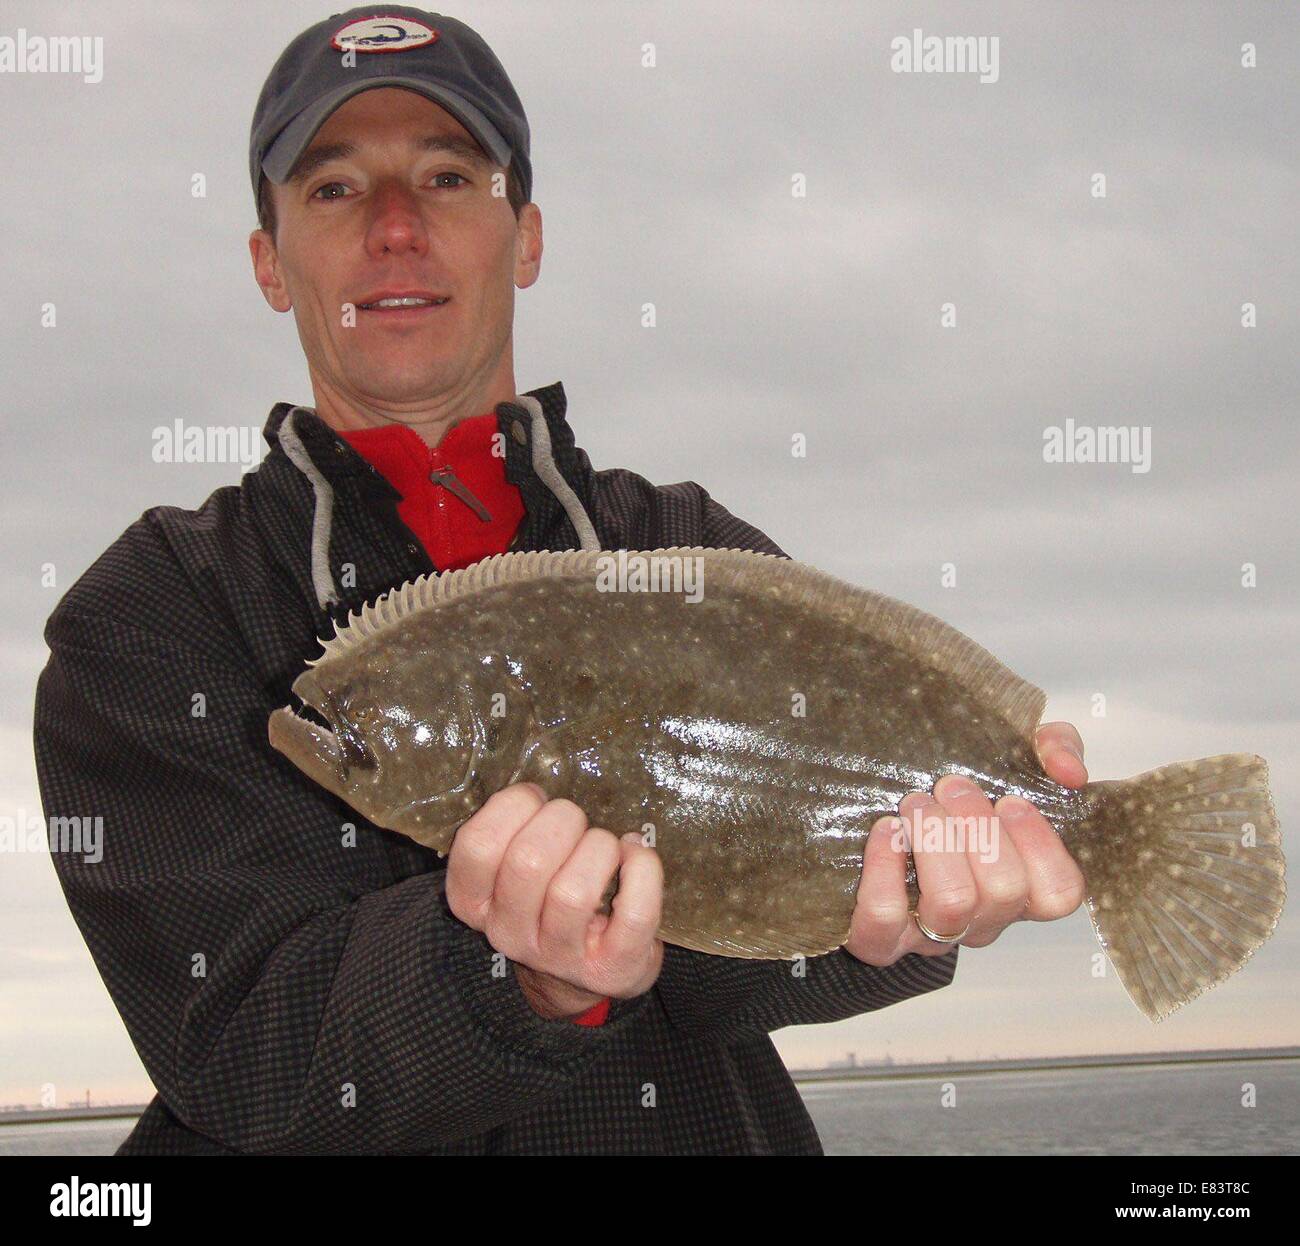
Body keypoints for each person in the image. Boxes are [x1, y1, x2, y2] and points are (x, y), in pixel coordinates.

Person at [33, 6, 1087, 1155]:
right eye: (334, 190)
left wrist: (912, 912)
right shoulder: (152, 611)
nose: (394, 227)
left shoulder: (683, 545)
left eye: (445, 175)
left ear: (526, 237)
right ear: (267, 263)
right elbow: (247, 1056)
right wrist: (513, 978)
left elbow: (744, 982)